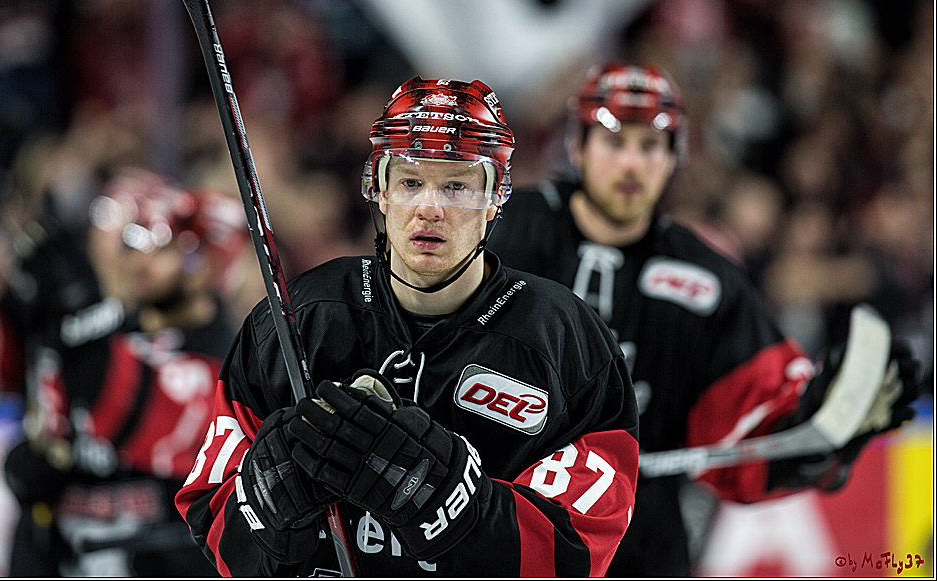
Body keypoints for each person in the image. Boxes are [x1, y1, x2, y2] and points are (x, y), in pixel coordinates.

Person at [175, 77, 641, 577]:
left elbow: (575, 555)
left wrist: (445, 501)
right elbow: (216, 529)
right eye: (410, 182)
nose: (429, 207)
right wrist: (266, 503)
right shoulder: (299, 318)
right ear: (378, 189)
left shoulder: (563, 337)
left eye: (457, 185)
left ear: (495, 198)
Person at [485, 62, 921, 576]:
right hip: (492, 525)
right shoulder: (499, 231)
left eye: (650, 146)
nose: (631, 163)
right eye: (613, 141)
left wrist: (822, 429)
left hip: (638, 548)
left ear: (675, 158)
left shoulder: (707, 281)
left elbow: (755, 427)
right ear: (578, 147)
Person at [0, 167, 250, 577]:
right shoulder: (106, 337)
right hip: (66, 559)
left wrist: (77, 311)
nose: (141, 260)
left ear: (206, 264)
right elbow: (51, 428)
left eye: (165, 246)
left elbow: (129, 411)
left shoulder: (233, 359)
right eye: (138, 242)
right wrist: (26, 463)